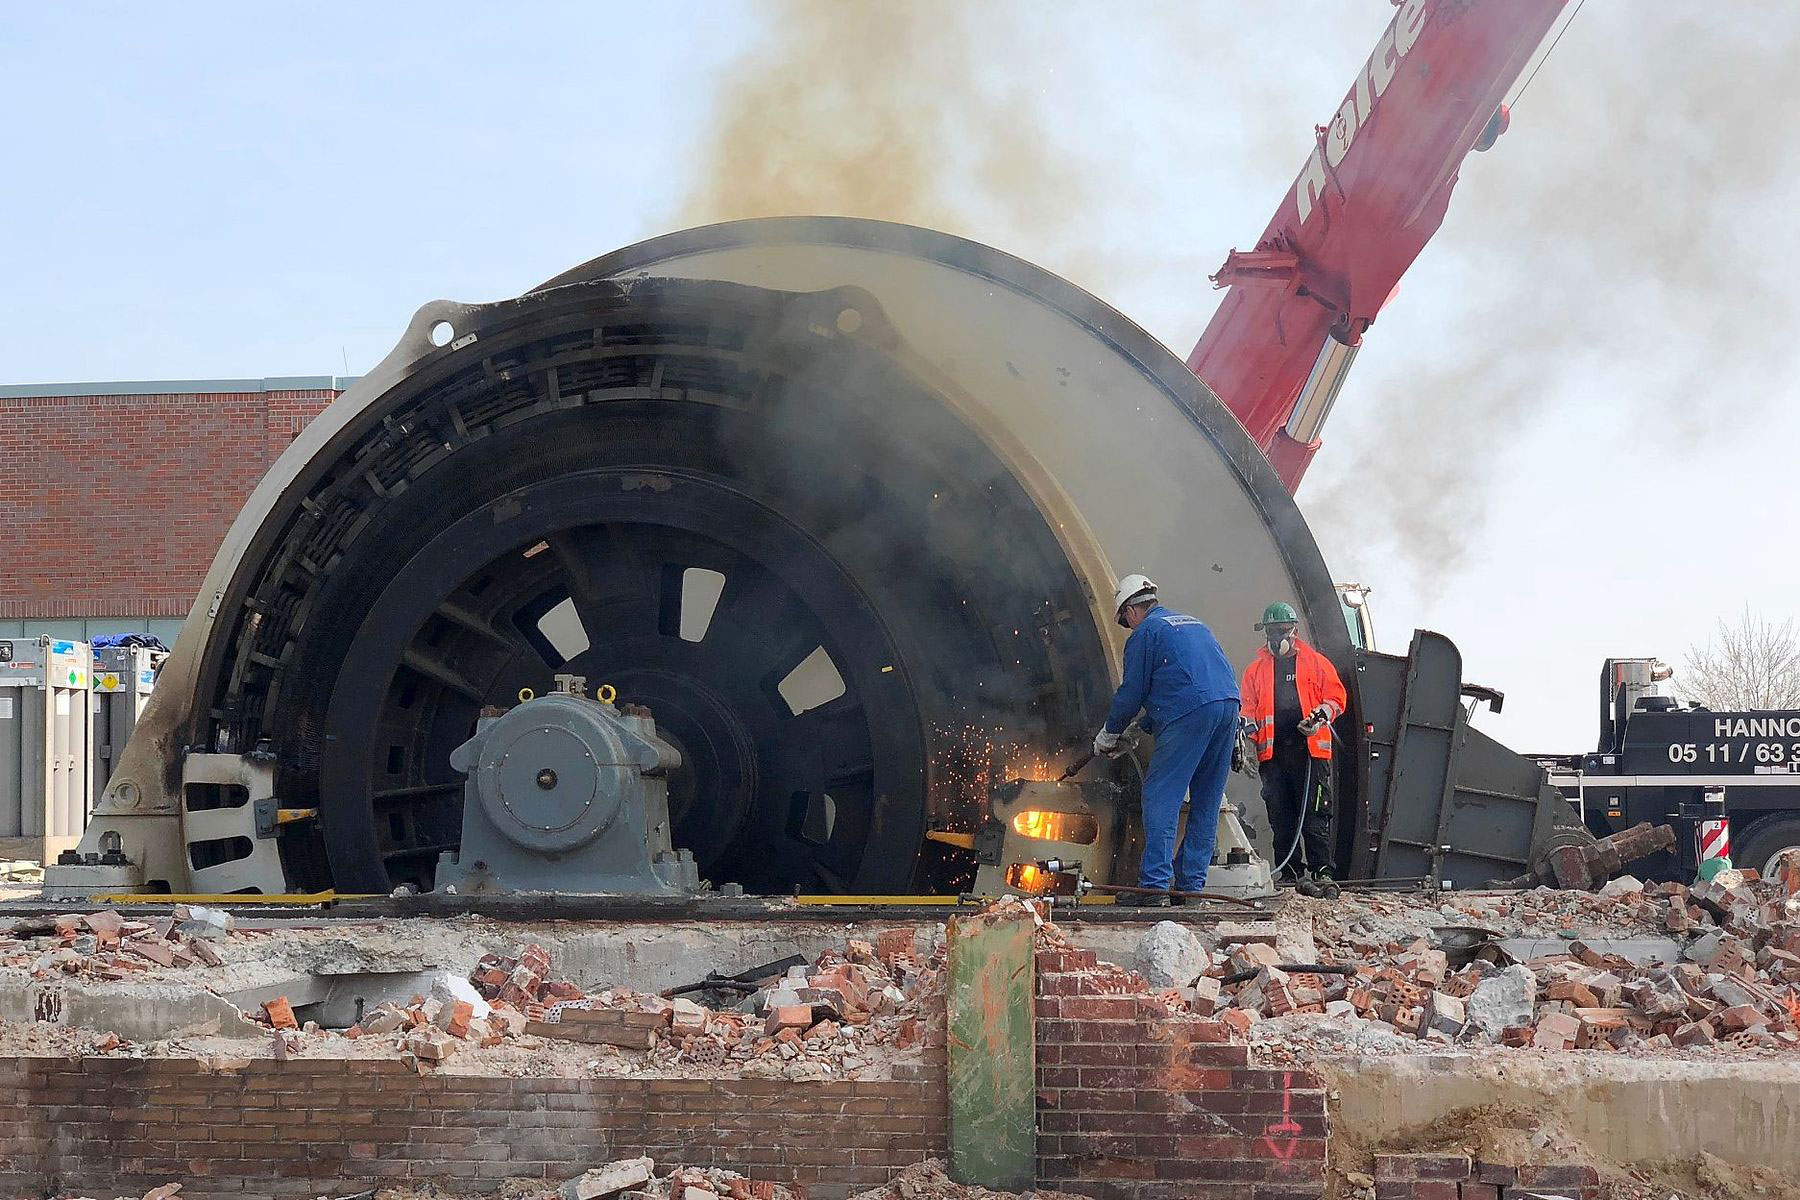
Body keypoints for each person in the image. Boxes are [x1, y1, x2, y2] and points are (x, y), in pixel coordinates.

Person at [1094, 574, 1241, 906]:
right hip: (1228, 708)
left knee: (1161, 797)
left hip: (1192, 712)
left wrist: (1110, 732)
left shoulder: (1146, 633)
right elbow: (1187, 686)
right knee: (1206, 801)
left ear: (1131, 610)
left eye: (1124, 620)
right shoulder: (1193, 624)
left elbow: (1131, 694)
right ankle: (1190, 888)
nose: (1127, 626)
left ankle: (1155, 887)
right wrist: (1140, 728)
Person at [1239, 601, 1347, 895]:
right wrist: (1248, 743)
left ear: (1294, 630)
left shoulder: (1316, 663)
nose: (1277, 638)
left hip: (1310, 753)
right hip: (1274, 757)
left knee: (1314, 815)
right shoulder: (1255, 671)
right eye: (1272, 632)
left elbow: (1337, 698)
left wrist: (1321, 715)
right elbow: (1247, 710)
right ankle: (1289, 874)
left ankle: (1322, 871)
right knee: (1281, 818)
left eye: (1282, 631)